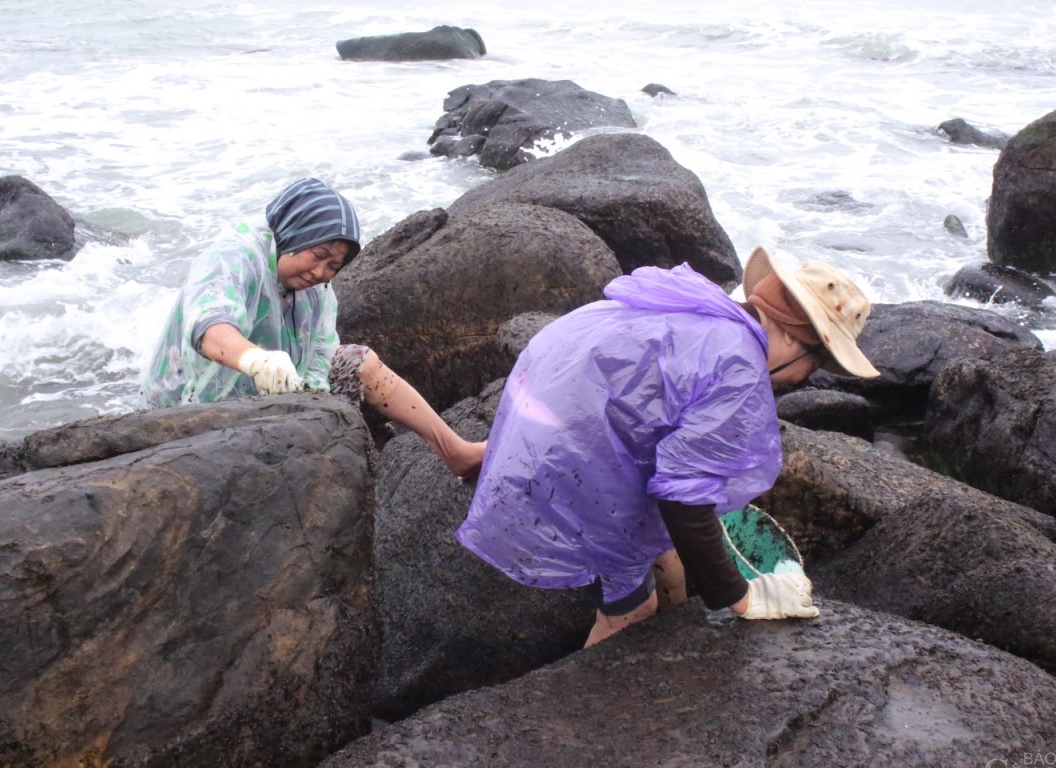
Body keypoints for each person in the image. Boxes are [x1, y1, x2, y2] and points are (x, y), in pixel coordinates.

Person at [453, 246, 880, 645]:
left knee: (668, 560)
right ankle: (584, 708)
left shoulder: (694, 304)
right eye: (816, 363)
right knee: (632, 611)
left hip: (533, 421)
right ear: (791, 338)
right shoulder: (739, 366)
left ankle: (674, 646)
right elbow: (684, 500)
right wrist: (741, 597)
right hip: (572, 474)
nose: (804, 378)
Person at [140, 177, 485, 480]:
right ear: (293, 231)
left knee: (358, 361)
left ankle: (455, 450)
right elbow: (209, 326)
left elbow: (320, 356)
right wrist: (255, 361)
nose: (320, 272)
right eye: (317, 254)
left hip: (271, 396)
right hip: (190, 411)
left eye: (333, 265)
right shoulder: (234, 257)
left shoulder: (316, 291)